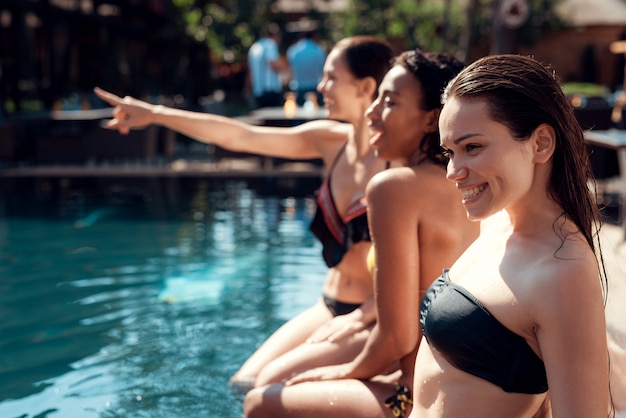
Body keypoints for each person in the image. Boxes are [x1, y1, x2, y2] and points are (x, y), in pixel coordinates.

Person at [93, 36, 395, 391]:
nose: (320, 85)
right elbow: (240, 137)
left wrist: (366, 316)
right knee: (244, 384)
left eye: (331, 77)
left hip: (372, 315)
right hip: (329, 304)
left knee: (271, 392)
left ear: (365, 86)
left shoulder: (397, 162)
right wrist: (156, 115)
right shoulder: (331, 141)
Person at [243, 49, 480, 418]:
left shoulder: (394, 186)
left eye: (388, 102)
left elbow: (398, 336)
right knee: (274, 380)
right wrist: (362, 318)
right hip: (460, 381)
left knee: (260, 401)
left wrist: (342, 374)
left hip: (415, 396)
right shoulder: (467, 186)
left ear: (431, 119)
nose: (371, 113)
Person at [410, 54, 613, 417]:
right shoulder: (496, 223)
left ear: (540, 144)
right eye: (450, 152)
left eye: (472, 148)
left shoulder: (563, 272)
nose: (453, 172)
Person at [247, 23, 288, 108]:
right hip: (270, 89)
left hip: (257, 90)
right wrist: (285, 67)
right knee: (273, 119)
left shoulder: (254, 47)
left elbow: (251, 71)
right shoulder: (270, 45)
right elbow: (274, 64)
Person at [287, 30, 326, 106]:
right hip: (315, 88)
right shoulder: (319, 50)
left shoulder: (293, 50)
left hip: (299, 89)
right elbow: (322, 69)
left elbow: (290, 69)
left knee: (298, 116)